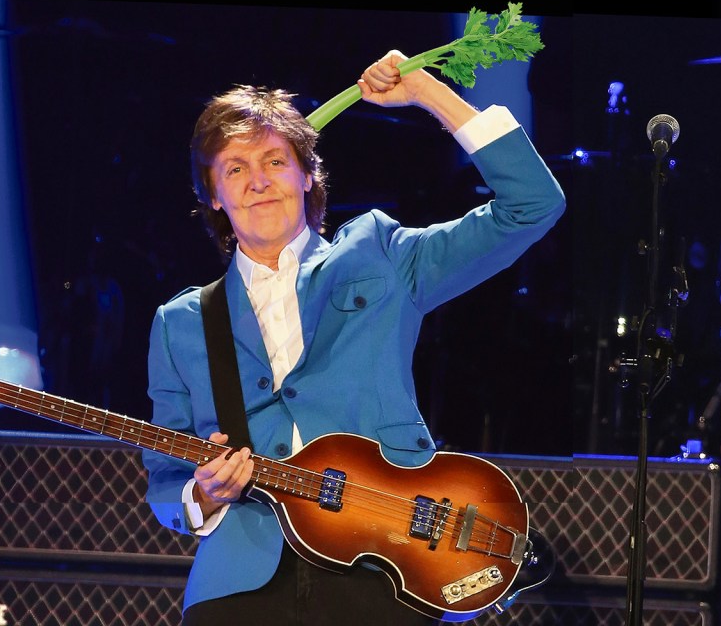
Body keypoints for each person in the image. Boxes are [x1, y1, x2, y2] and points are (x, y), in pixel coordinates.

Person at [142, 49, 565, 625]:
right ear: (213, 194)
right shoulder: (182, 321)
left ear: (307, 175)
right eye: (235, 169)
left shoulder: (379, 254)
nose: (258, 181)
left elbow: (533, 205)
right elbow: (166, 478)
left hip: (384, 563)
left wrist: (427, 93)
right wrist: (204, 494)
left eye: (275, 161)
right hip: (239, 581)